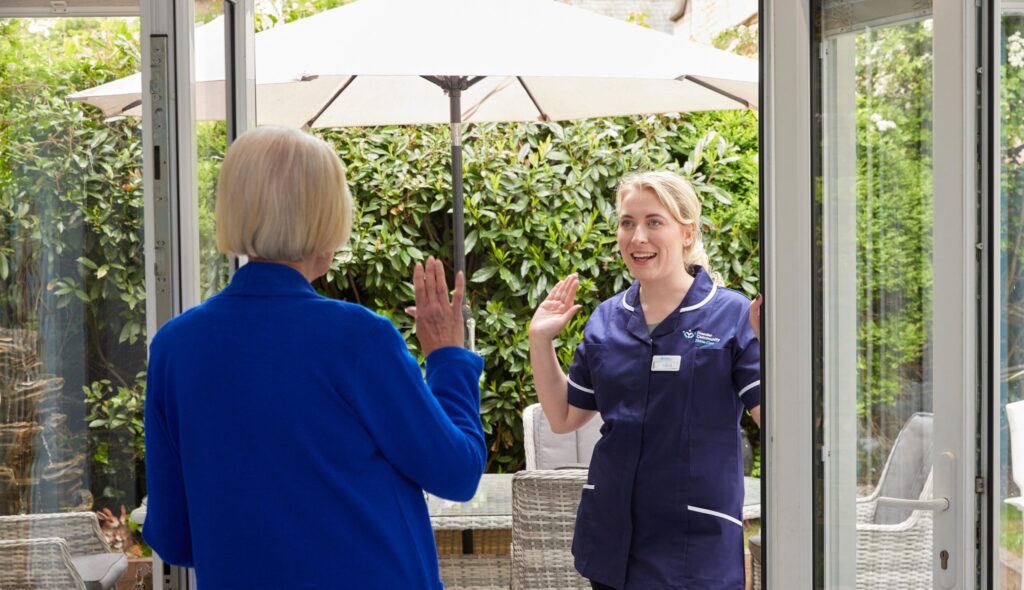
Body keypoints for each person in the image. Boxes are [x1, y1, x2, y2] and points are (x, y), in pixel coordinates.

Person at [143, 126, 485, 589]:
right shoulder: (359, 340)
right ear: (326, 217)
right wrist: (448, 357)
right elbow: (458, 472)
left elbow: (175, 537)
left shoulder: (174, 348)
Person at [529, 170, 761, 589]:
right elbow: (564, 416)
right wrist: (540, 340)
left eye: (654, 222)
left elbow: (776, 422)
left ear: (687, 233)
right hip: (613, 543)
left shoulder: (732, 315)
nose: (638, 237)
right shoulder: (606, 319)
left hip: (695, 548)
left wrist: (778, 352)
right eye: (627, 222)